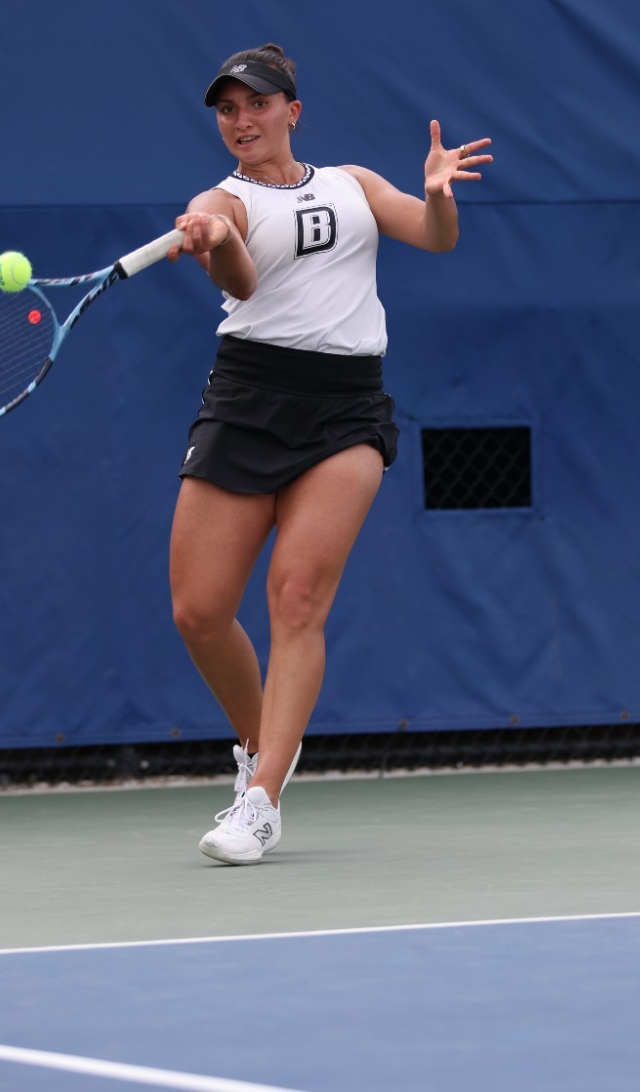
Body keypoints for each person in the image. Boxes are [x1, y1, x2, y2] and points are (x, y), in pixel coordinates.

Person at [165, 43, 491, 864]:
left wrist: (437, 193)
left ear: (292, 111)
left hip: (345, 406)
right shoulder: (221, 200)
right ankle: (261, 746)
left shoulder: (354, 184)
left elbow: (436, 237)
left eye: (257, 103)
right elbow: (240, 281)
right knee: (199, 612)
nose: (242, 120)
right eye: (228, 109)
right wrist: (214, 236)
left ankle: (263, 799)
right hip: (247, 399)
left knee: (297, 595)